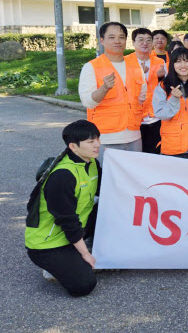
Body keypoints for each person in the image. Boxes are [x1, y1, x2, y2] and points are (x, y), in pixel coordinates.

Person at [25, 120, 100, 297]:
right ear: (73, 146)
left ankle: (73, 255)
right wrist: (85, 254)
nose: (97, 144)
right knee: (84, 285)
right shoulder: (62, 176)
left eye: (98, 139)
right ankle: (54, 265)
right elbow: (67, 220)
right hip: (48, 244)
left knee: (108, 208)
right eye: (90, 141)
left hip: (75, 228)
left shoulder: (92, 162)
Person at [78, 22, 144, 164]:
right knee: (107, 177)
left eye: (121, 37)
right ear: (102, 40)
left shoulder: (135, 65)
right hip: (106, 138)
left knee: (132, 176)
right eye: (112, 37)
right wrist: (104, 88)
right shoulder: (91, 67)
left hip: (134, 135)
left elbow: (143, 93)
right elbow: (87, 102)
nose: (117, 41)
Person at [126, 28, 166, 154]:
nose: (145, 43)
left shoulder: (159, 62)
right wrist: (140, 75)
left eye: (149, 40)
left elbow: (165, 87)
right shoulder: (125, 62)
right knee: (136, 154)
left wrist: (162, 77)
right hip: (134, 117)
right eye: (141, 40)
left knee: (154, 153)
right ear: (133, 42)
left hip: (155, 116)